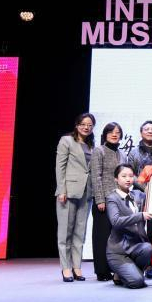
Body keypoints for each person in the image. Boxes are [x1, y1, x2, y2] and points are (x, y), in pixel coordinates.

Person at [55, 113, 95, 282]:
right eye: (83, 124)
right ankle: (65, 268)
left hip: (86, 192)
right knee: (65, 232)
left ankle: (77, 266)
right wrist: (61, 190)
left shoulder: (91, 144)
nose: (86, 127)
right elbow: (60, 167)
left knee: (80, 232)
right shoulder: (67, 141)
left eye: (90, 125)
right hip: (69, 191)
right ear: (77, 125)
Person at [127, 120, 152, 279]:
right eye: (146, 129)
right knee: (137, 230)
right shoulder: (134, 153)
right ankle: (137, 263)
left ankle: (150, 265)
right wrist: (144, 187)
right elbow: (131, 174)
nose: (150, 131)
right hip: (138, 195)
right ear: (141, 132)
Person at [106, 164, 152, 289]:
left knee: (148, 248)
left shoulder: (138, 195)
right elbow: (116, 221)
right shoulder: (112, 198)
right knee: (137, 282)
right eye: (123, 176)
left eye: (131, 176)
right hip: (118, 252)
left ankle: (130, 272)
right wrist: (140, 216)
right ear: (116, 179)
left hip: (136, 248)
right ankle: (122, 273)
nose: (128, 179)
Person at [90, 122, 127, 282]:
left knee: (116, 237)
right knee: (102, 237)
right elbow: (96, 176)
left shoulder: (122, 153)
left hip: (118, 201)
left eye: (117, 132)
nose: (114, 134)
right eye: (111, 132)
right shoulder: (99, 151)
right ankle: (101, 270)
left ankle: (115, 269)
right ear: (105, 134)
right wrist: (99, 199)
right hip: (104, 200)